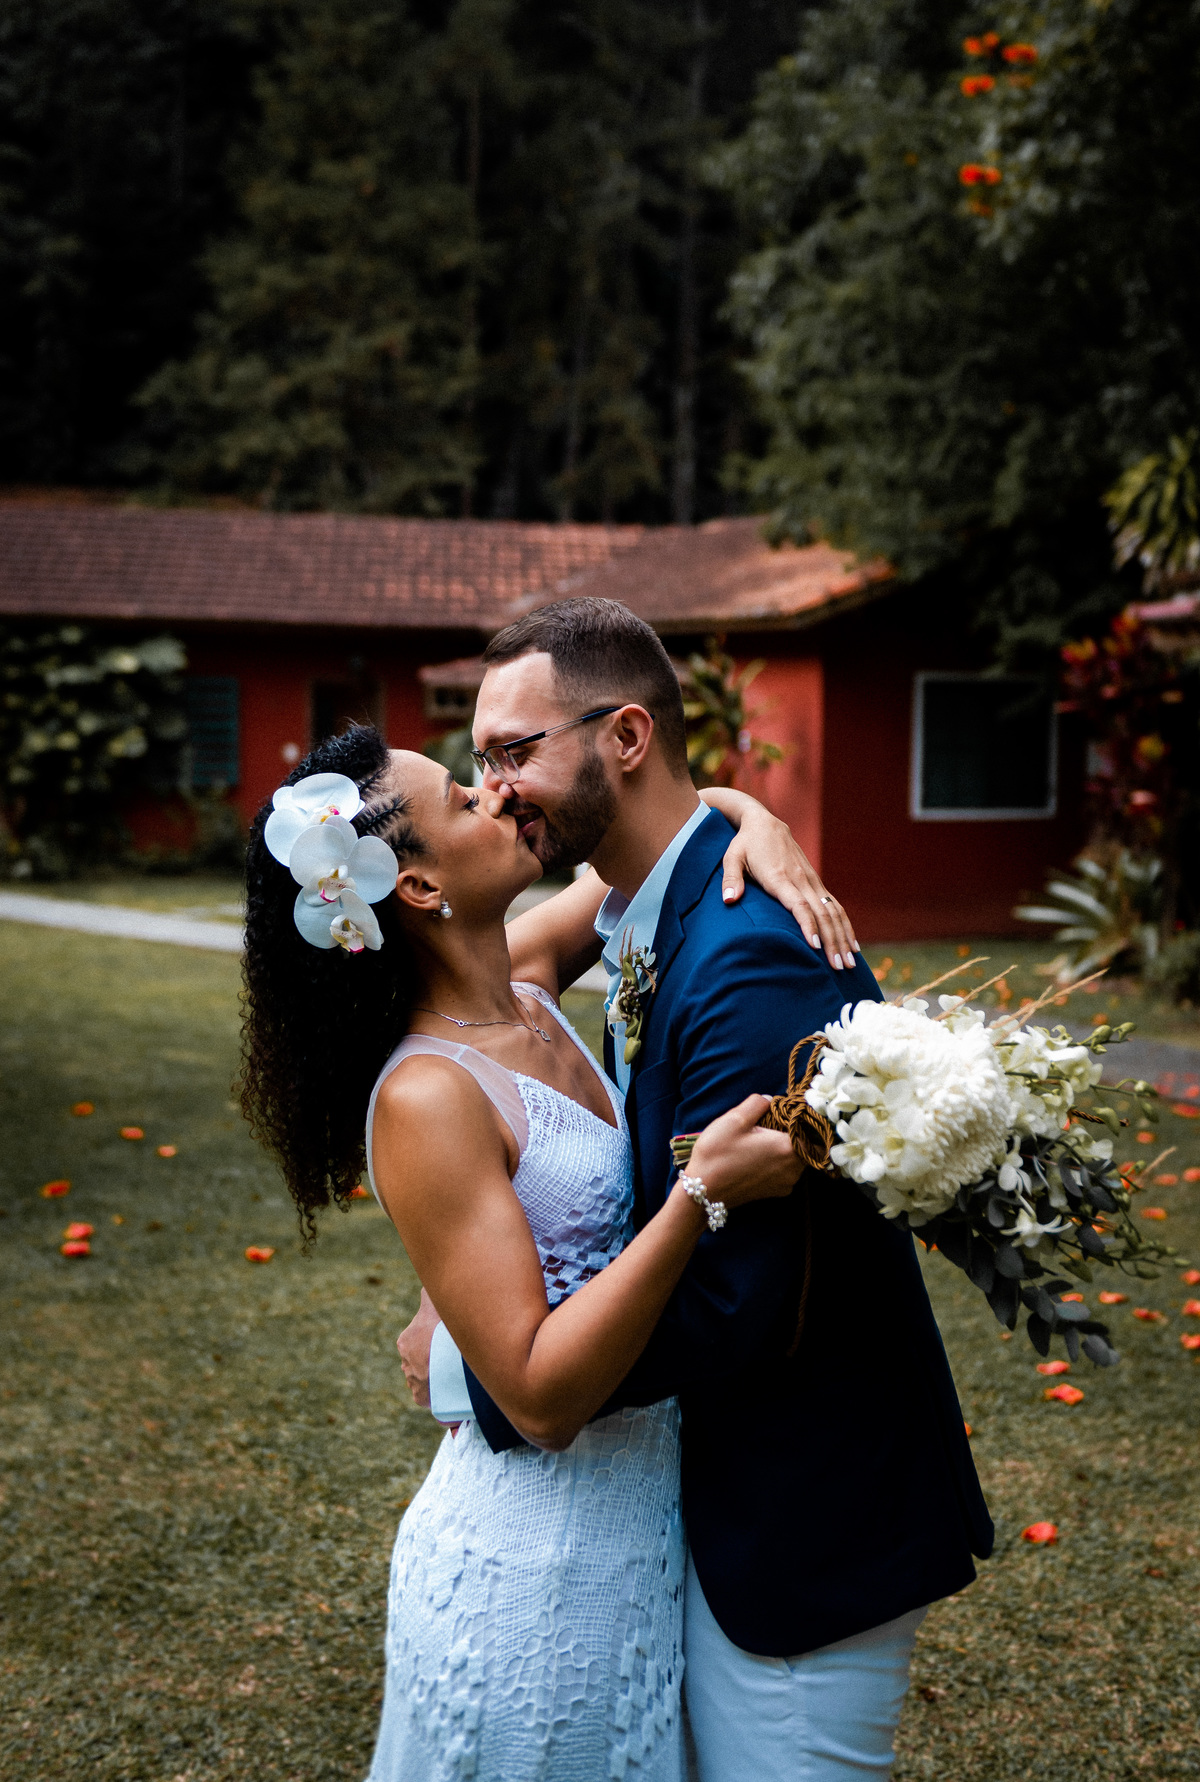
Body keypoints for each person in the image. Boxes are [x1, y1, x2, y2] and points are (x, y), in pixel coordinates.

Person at [401, 597, 995, 1782]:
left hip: (803, 1519)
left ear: (626, 736)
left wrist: (490, 1367)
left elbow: (737, 1299)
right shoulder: (643, 910)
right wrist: (739, 804)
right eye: (476, 768)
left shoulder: (743, 945)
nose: (496, 791)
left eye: (512, 753)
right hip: (707, 1507)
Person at [238, 722, 831, 1781]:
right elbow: (541, 1401)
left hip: (642, 1544)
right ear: (418, 887)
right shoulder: (428, 1095)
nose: (499, 796)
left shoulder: (526, 984)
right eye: (463, 800)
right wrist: (698, 1195)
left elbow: (661, 844)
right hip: (530, 1575)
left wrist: (757, 818)